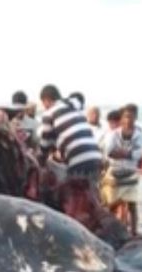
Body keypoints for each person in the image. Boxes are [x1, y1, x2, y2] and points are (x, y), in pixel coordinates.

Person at [37, 85, 104, 229]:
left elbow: (45, 144)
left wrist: (39, 162)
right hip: (96, 156)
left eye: (43, 103)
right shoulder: (74, 106)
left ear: (47, 100)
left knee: (76, 200)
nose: (44, 107)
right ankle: (98, 228)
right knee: (92, 196)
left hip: (78, 160)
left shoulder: (49, 114)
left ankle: (80, 232)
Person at [101, 105, 142, 236]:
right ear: (121, 118)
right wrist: (128, 153)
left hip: (131, 173)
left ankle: (134, 231)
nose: (128, 120)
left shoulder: (139, 134)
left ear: (136, 118)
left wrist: (121, 153)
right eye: (126, 117)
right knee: (111, 204)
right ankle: (108, 230)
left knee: (132, 204)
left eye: (131, 117)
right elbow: (109, 151)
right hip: (114, 173)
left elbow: (138, 154)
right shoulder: (113, 134)